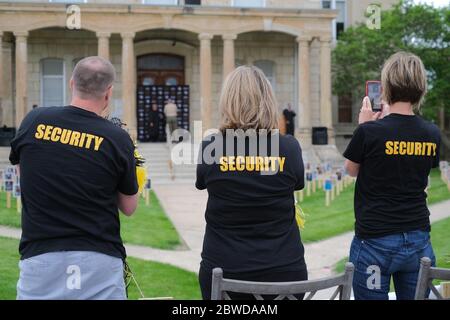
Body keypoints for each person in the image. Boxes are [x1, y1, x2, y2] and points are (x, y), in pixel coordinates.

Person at [10, 56, 139, 300]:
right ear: (108, 93)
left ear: (72, 83)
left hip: (41, 255)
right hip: (98, 257)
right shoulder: (117, 138)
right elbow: (129, 207)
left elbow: (22, 174)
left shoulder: (34, 120)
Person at [196, 66, 307, 300]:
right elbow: (297, 184)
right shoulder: (288, 147)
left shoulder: (211, 147)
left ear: (228, 101)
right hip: (285, 272)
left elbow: (202, 182)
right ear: (268, 101)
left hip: (224, 272)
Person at [344, 52, 440, 300]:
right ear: (421, 88)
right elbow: (415, 170)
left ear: (385, 87)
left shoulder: (369, 132)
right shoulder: (431, 132)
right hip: (418, 240)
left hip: (375, 242)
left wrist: (365, 126)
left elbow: (351, 170)